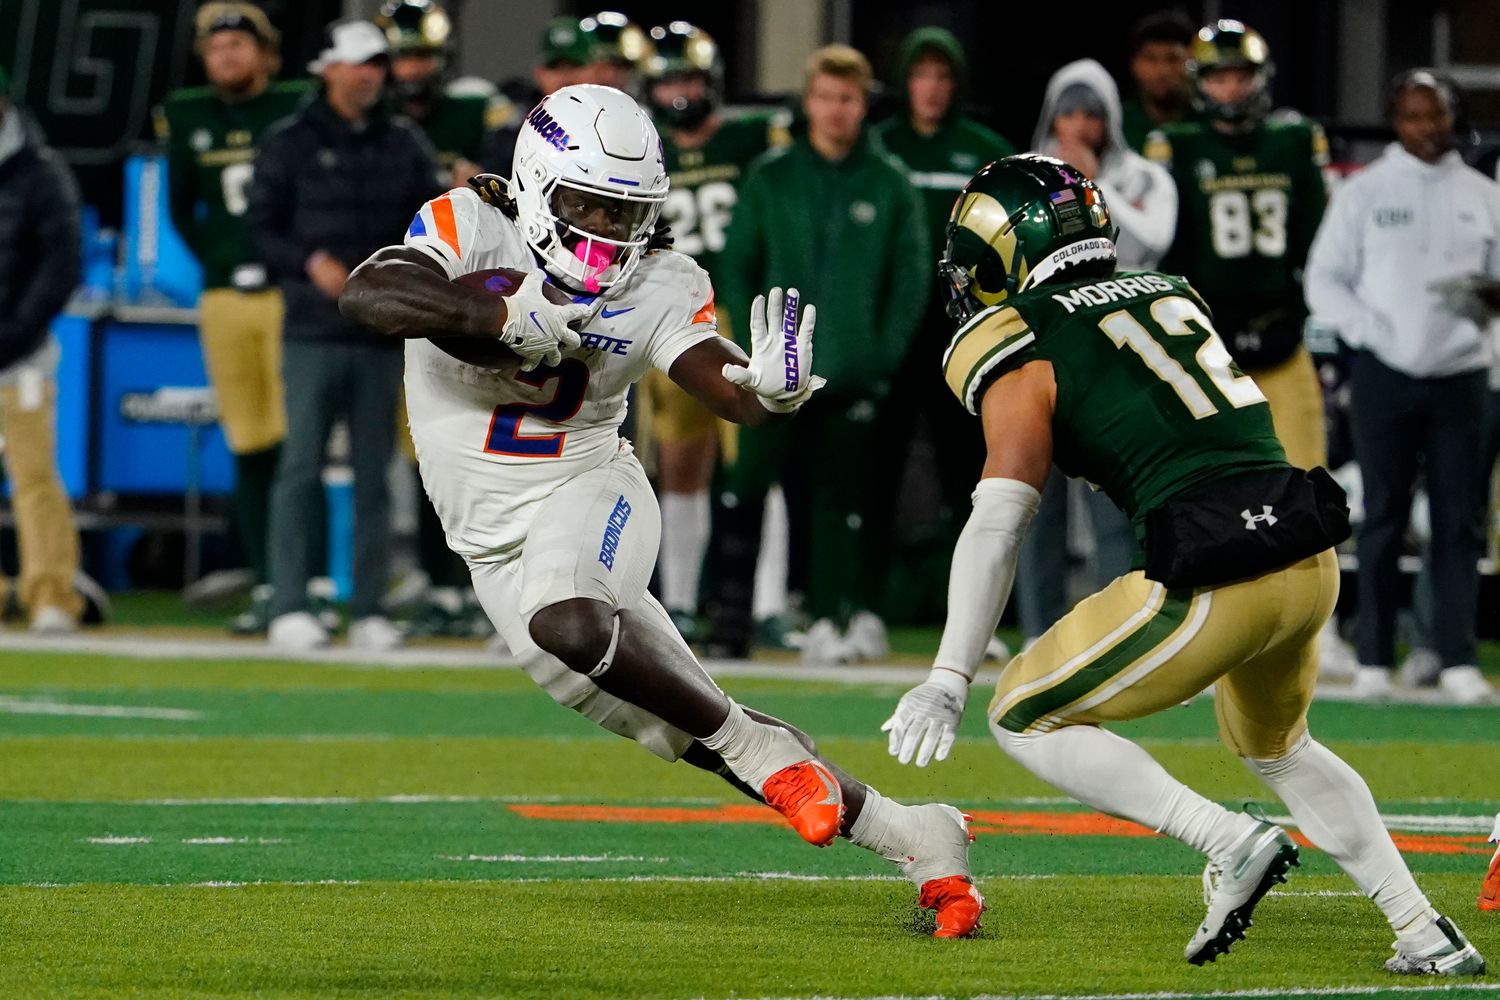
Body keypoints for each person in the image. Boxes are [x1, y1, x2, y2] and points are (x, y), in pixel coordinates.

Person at [339, 83, 983, 938]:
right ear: (535, 181)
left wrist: (770, 395)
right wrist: (492, 313)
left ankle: (770, 754)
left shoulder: (661, 279)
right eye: (588, 204)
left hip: (590, 490)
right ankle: (920, 834)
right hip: (490, 550)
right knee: (691, 728)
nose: (606, 231)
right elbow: (368, 295)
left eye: (625, 211)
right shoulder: (472, 224)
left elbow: (719, 380)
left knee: (569, 624)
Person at [882, 153, 1486, 975]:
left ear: (1007, 251)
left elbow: (1000, 518)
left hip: (1213, 568)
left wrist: (949, 676)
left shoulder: (1013, 336)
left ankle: (1226, 839)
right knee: (1280, 747)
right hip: (1307, 557)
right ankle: (1421, 928)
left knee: (1020, 710)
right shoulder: (1169, 289)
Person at [1144, 20, 1353, 677]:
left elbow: (1321, 241)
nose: (1229, 88)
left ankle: (1323, 629)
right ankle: (1212, 633)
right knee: (1208, 493)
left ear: (1259, 80)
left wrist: (1301, 315)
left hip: (1283, 339)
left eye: (1238, 75)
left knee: (1310, 490)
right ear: (1200, 84)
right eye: (1218, 76)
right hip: (1209, 350)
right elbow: (1166, 250)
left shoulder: (1295, 139)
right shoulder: (1173, 146)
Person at [709, 45, 928, 662]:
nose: (836, 110)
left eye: (848, 99)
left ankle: (833, 619)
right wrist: (757, 351)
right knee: (746, 486)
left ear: (864, 105)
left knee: (841, 501)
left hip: (850, 375)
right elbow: (737, 265)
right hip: (771, 373)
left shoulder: (890, 184)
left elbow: (908, 282)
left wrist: (878, 358)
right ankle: (730, 624)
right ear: (808, 102)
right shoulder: (771, 176)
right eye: (827, 97)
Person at [1304, 70, 1500, 705]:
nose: (1427, 127)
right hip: (1386, 373)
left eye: (1436, 115)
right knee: (1382, 518)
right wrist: (1371, 334)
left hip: (1463, 373)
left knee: (1458, 521)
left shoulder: (1482, 191)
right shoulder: (1366, 192)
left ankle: (1456, 658)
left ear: (1453, 117)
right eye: (1414, 116)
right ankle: (1371, 660)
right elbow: (1324, 280)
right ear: (1395, 120)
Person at [246, 20, 440, 651]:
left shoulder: (404, 142)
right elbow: (260, 229)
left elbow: (431, 224)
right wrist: (310, 262)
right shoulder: (290, 142)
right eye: (359, 64)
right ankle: (291, 600)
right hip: (310, 330)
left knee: (373, 472)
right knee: (299, 465)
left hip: (380, 333)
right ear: (327, 68)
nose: (370, 75)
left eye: (377, 64)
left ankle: (369, 607)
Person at [157, 2, 311, 634]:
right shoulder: (190, 114)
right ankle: (268, 581)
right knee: (248, 443)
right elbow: (181, 210)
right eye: (215, 47)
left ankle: (309, 580)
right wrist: (222, 260)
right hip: (224, 298)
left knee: (295, 445)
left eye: (238, 46)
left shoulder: (296, 106)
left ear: (266, 54)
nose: (226, 56)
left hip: (286, 295)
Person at [1015, 58, 1178, 644]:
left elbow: (1149, 243)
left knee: (1116, 506)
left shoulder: (1144, 177)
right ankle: (1041, 637)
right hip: (1042, 357)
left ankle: (1121, 630)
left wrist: (1089, 185)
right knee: (1033, 506)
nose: (1080, 125)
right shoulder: (1021, 177)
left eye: (1092, 113)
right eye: (1069, 112)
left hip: (1118, 362)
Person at [636, 21, 789, 640]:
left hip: (736, 310)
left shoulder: (752, 139)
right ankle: (678, 603)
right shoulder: (645, 151)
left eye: (690, 77)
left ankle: (769, 603)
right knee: (679, 461)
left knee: (755, 459)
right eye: (670, 77)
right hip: (669, 318)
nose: (680, 89)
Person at [868, 27, 1014, 635]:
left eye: (942, 76)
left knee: (970, 475)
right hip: (896, 332)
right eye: (921, 75)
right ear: (906, 82)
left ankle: (974, 612)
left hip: (966, 333)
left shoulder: (983, 149)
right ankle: (865, 608)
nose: (931, 88)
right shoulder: (880, 146)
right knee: (876, 469)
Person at [0, 64, 87, 634]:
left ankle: (52, 593)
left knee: (32, 476)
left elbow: (61, 266)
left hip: (20, 355)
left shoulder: (40, 171)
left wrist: (11, 336)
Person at [375, 0, 510, 188]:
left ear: (442, 57)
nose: (413, 67)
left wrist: (483, 176)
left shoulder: (474, 106)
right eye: (404, 56)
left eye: (423, 54)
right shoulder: (370, 116)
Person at [481, 17, 593, 182]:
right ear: (538, 73)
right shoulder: (518, 114)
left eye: (575, 65)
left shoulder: (610, 115)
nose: (565, 76)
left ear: (593, 69)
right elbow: (494, 168)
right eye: (555, 67)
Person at [1120, 10, 1196, 152]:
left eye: (1172, 59)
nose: (1162, 71)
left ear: (1192, 61)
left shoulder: (1211, 123)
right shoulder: (1117, 125)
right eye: (1151, 59)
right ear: (1134, 64)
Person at [580, 11, 650, 95]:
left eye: (620, 69)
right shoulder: (563, 104)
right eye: (601, 69)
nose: (610, 76)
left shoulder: (640, 107)